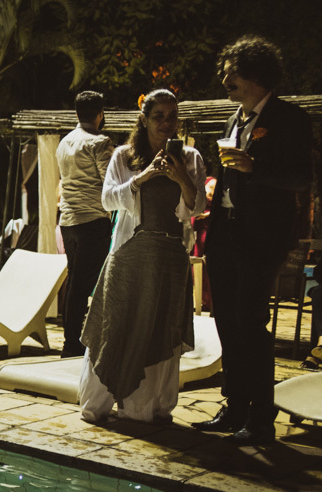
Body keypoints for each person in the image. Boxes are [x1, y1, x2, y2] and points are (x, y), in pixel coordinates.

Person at [193, 36, 312, 445]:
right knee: (227, 321)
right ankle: (234, 406)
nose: (225, 79)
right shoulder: (235, 119)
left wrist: (255, 167)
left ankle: (261, 419)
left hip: (262, 238)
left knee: (251, 322)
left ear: (257, 76)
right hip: (225, 235)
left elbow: (301, 177)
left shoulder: (289, 118)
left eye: (233, 73)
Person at [79, 89, 207, 425]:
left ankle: (147, 408)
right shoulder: (124, 156)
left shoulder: (190, 157)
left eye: (172, 116)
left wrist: (180, 177)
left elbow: (198, 207)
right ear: (144, 120)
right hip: (129, 253)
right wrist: (143, 176)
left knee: (161, 329)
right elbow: (108, 200)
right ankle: (98, 403)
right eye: (158, 116)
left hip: (171, 258)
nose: (167, 122)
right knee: (115, 325)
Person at [57, 90, 116, 357]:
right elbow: (110, 182)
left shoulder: (65, 142)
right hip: (92, 220)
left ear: (77, 112)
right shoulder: (100, 142)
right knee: (83, 285)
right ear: (100, 114)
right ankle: (72, 343)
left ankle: (72, 340)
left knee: (75, 282)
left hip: (68, 220)